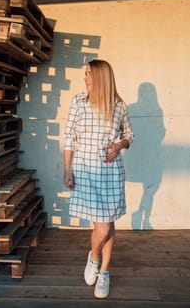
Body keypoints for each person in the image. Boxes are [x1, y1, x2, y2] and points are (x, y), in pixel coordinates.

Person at [63, 59, 133, 299]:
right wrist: (67, 169)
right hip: (85, 169)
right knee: (102, 226)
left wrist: (121, 144)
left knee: (108, 223)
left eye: (90, 74)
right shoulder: (78, 102)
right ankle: (95, 258)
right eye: (85, 73)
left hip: (110, 171)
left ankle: (102, 269)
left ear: (102, 77)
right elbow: (69, 137)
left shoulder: (119, 106)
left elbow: (129, 134)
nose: (86, 78)